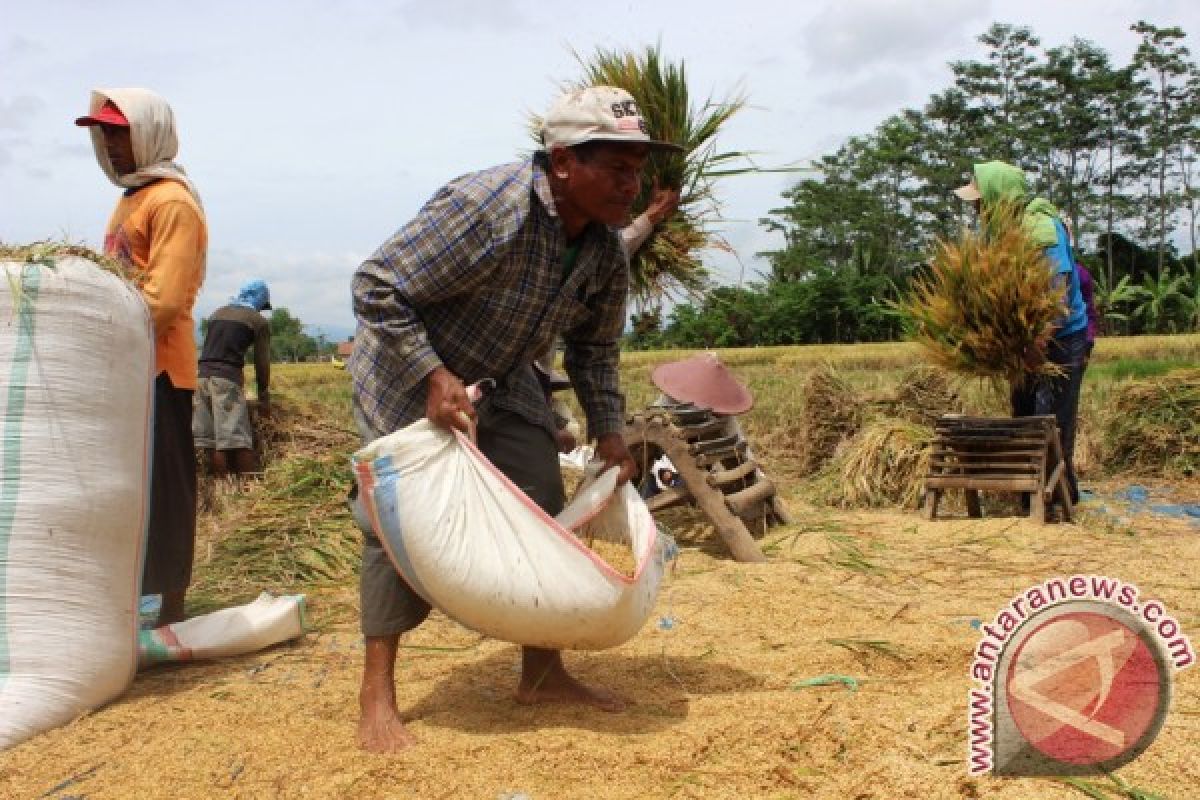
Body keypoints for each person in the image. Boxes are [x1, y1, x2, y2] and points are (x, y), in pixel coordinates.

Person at [349, 85, 679, 753]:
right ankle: (377, 694)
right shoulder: (487, 208)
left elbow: (595, 350)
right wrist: (434, 375)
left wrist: (610, 431)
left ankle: (543, 673)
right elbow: (376, 285)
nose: (631, 183)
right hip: (410, 377)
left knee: (543, 503)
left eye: (637, 167)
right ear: (563, 164)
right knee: (393, 525)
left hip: (505, 381)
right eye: (616, 167)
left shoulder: (605, 250)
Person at [76, 89, 207, 626]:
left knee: (166, 486)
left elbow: (164, 297)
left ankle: (171, 605)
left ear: (148, 132)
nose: (109, 143)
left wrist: (107, 339)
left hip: (159, 365)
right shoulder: (132, 198)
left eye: (118, 131)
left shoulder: (171, 201)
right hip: (128, 366)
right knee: (132, 483)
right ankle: (135, 596)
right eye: (103, 132)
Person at [954, 161, 1089, 504]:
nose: (976, 208)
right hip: (1025, 341)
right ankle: (1031, 499)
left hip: (1059, 338)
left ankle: (1059, 503)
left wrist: (1038, 344)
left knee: (1051, 422)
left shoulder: (1040, 226)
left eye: (979, 201)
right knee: (1026, 416)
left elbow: (1057, 289)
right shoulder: (999, 229)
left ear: (1000, 195)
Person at [194, 279, 273, 478]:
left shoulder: (216, 314)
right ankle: (250, 485)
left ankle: (220, 487)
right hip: (226, 380)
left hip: (200, 377)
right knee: (236, 438)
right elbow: (261, 361)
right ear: (260, 302)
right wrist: (263, 394)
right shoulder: (257, 321)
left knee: (213, 440)